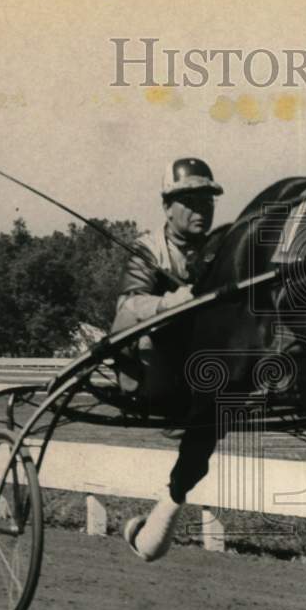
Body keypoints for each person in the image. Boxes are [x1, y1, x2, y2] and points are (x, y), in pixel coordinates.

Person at [116, 157, 223, 562]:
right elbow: (127, 307)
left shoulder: (220, 249)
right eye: (190, 201)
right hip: (152, 372)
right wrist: (167, 302)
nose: (202, 210)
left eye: (208, 201)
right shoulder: (148, 251)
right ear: (167, 207)